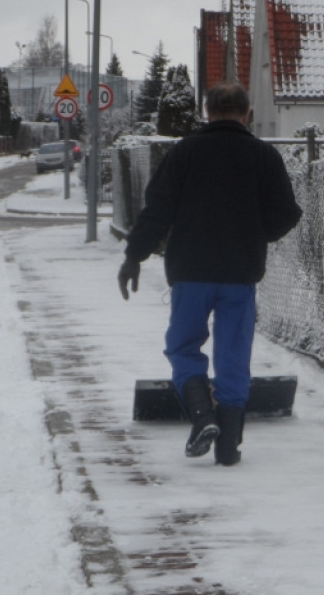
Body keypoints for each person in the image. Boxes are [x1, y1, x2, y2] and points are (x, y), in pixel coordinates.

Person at [117, 82, 302, 466]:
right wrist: (255, 235)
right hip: (240, 274)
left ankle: (202, 416)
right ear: (246, 113)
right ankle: (229, 449)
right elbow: (287, 213)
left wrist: (134, 255)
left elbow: (158, 209)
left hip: (191, 271)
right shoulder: (263, 156)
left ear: (207, 111)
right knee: (234, 355)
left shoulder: (185, 152)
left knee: (183, 347)